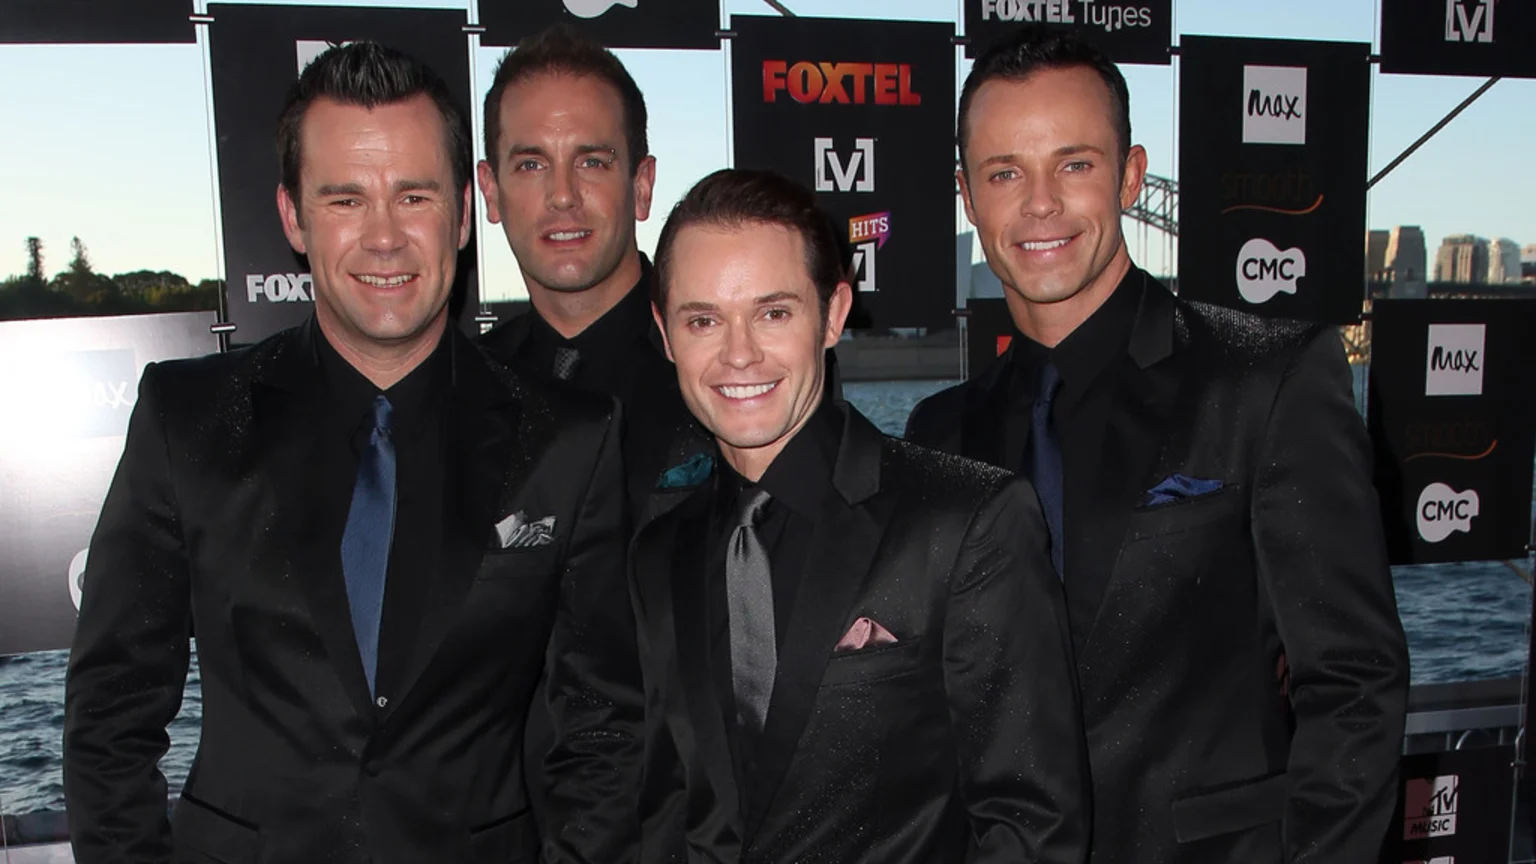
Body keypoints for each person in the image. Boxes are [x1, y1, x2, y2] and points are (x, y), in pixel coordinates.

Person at [63, 42, 640, 864]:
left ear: (463, 213)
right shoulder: (186, 418)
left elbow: (605, 734)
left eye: (414, 196)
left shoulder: (569, 437)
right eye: (345, 200)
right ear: (293, 217)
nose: (384, 238)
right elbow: (110, 713)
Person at [906, 26, 1408, 863]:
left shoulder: (1266, 379)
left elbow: (1355, 686)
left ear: (1131, 175)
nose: (1040, 204)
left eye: (1074, 164)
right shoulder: (939, 433)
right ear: (967, 195)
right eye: (1004, 173)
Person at [635, 168, 1088, 863]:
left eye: (773, 313)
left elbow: (1032, 827)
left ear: (834, 313)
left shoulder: (966, 521)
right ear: (666, 334)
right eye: (703, 320)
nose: (738, 353)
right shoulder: (660, 549)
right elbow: (668, 809)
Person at [477, 24, 688, 516]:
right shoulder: (460, 388)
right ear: (491, 191)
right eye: (531, 165)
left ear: (641, 186)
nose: (563, 195)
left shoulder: (720, 365)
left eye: (592, 162)